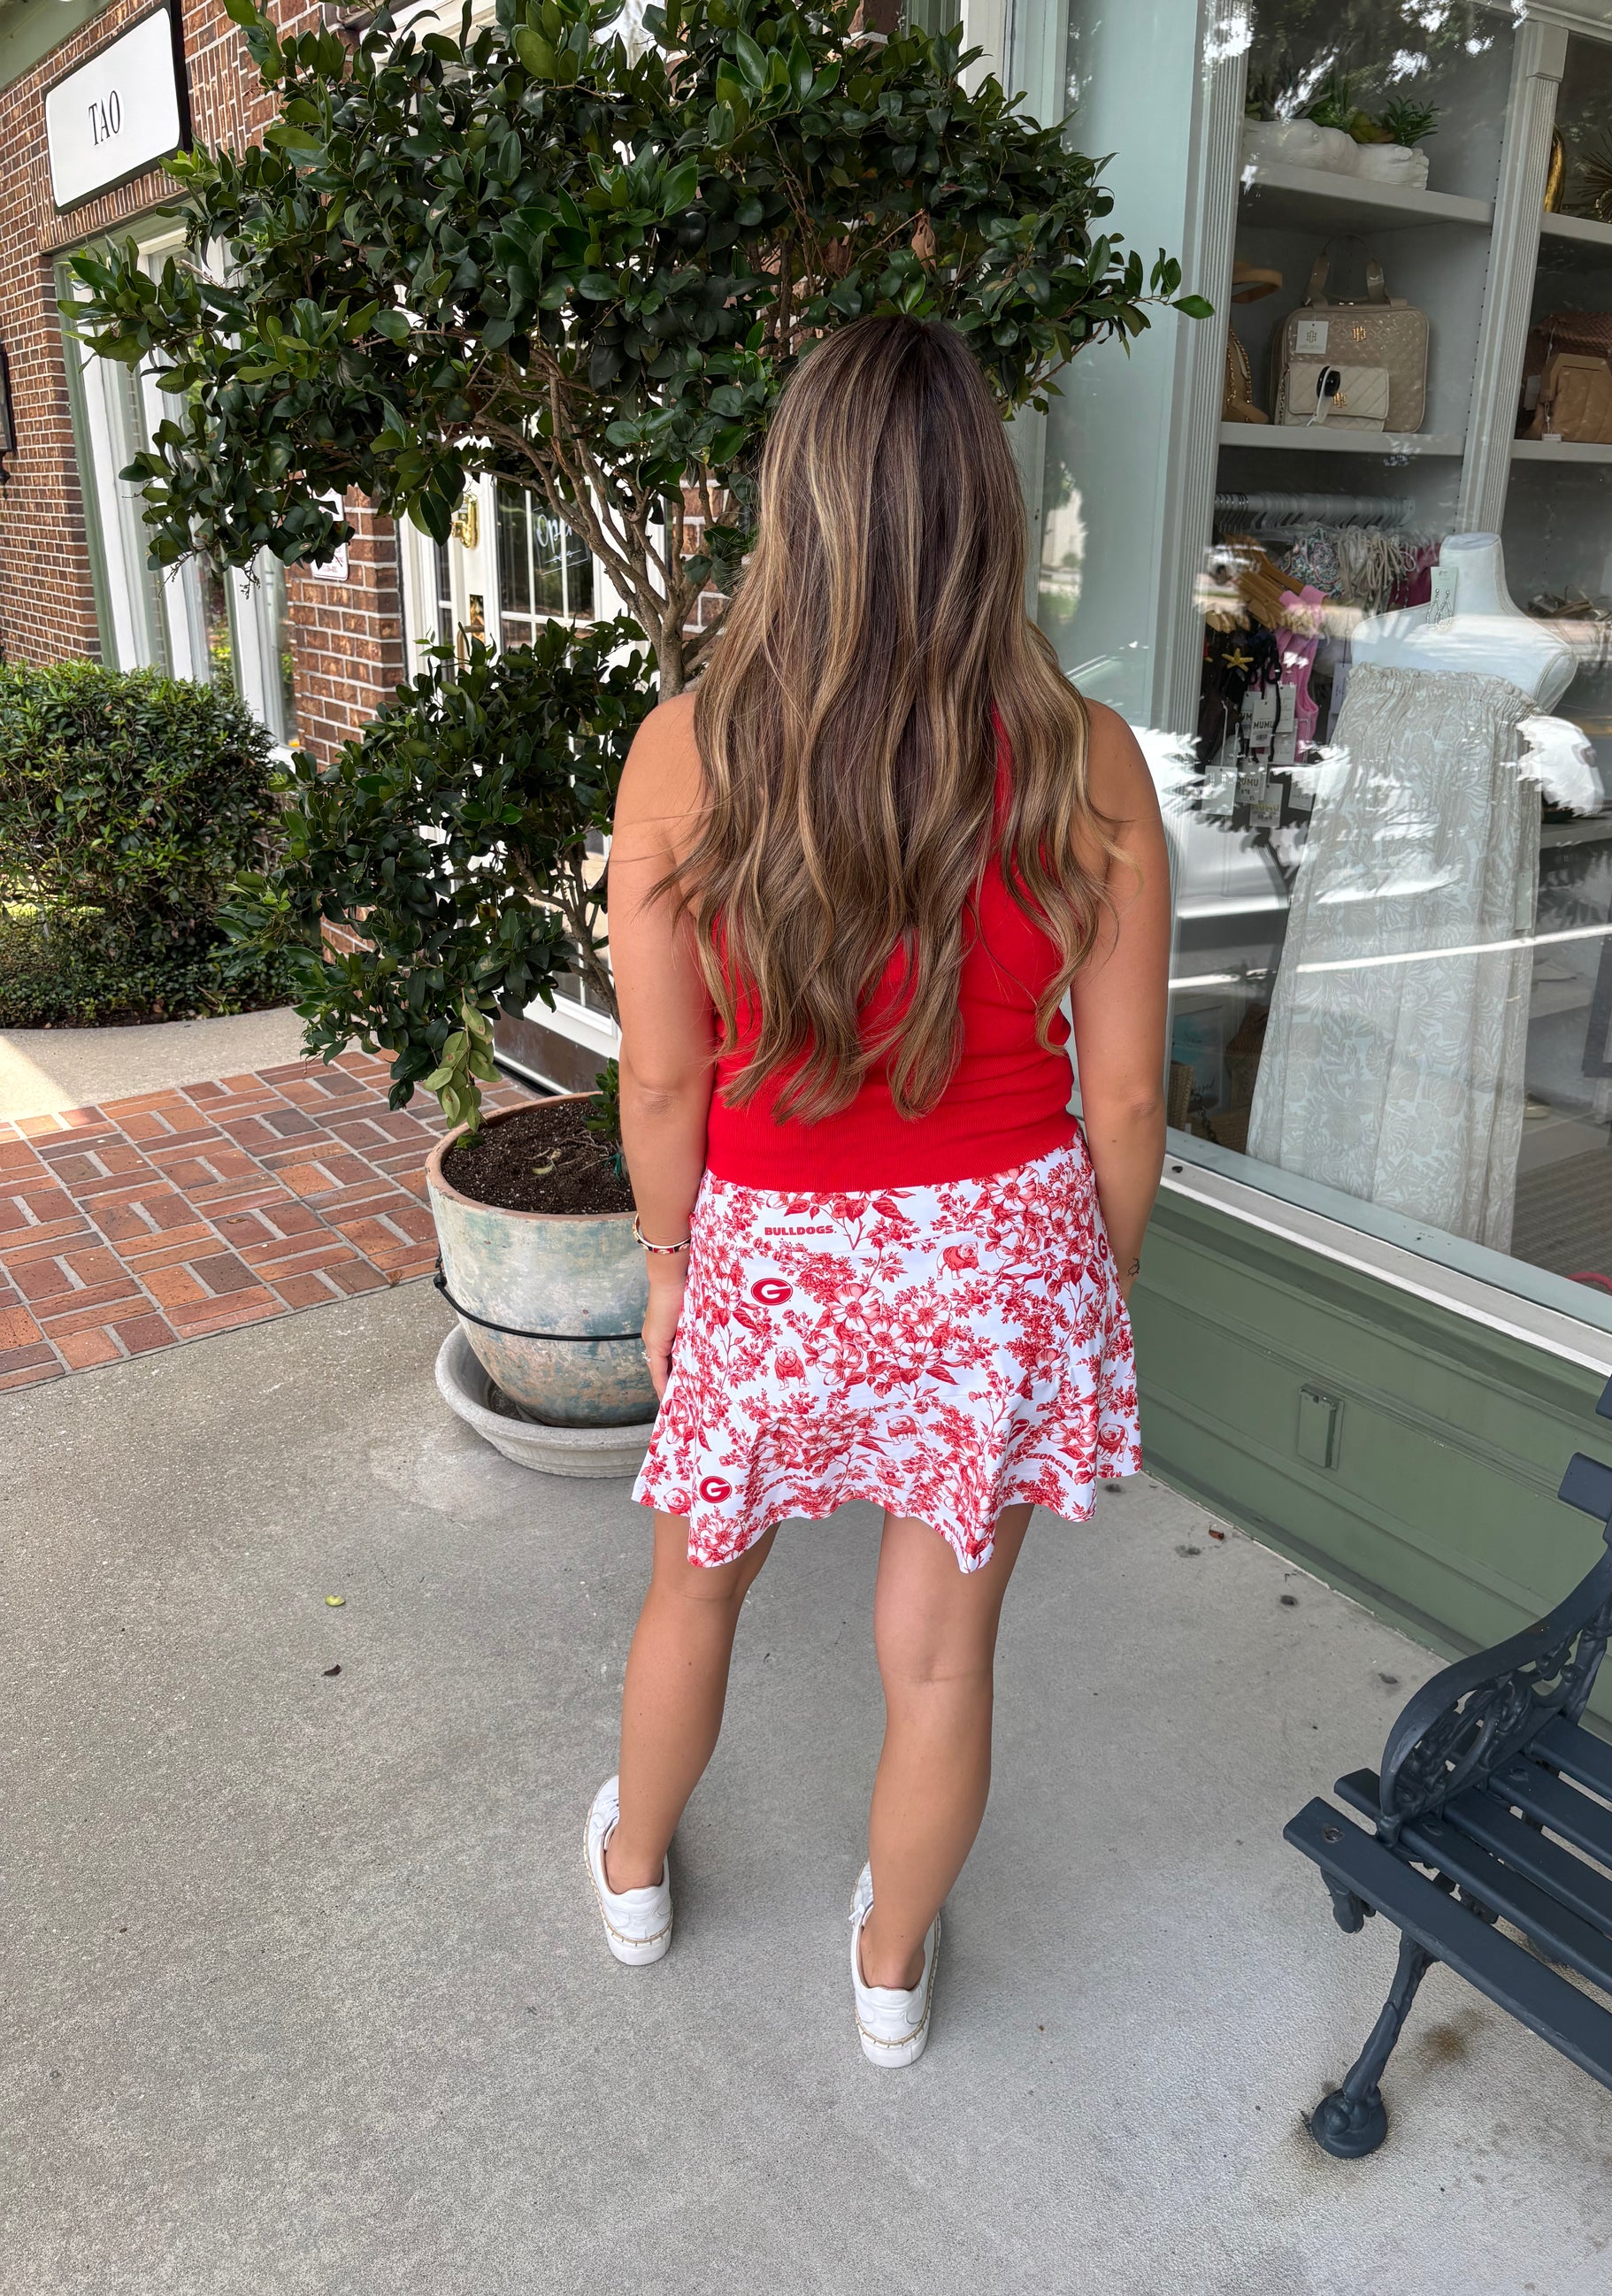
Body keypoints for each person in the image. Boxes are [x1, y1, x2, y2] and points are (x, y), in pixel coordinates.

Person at [590, 314, 1171, 2067]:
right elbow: (1131, 1091)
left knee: (697, 1580)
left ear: (799, 503)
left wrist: (669, 1259)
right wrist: (1086, 1288)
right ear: (987, 511)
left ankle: (628, 1872)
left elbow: (666, 1073)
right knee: (938, 1652)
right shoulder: (1090, 759)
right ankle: (890, 1975)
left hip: (771, 1243)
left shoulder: (686, 753)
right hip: (999, 1245)